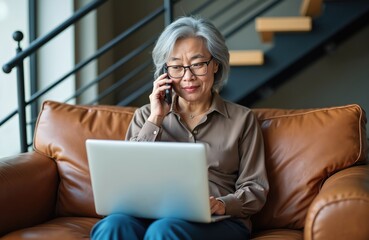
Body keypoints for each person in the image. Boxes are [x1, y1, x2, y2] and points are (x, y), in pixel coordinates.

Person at [91, 16, 269, 240]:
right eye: (176, 67)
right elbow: (127, 181)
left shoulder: (243, 119)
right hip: (152, 214)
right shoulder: (146, 116)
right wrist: (156, 118)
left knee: (164, 230)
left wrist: (223, 204)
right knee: (113, 226)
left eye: (197, 64)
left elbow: (256, 188)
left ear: (215, 64)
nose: (188, 77)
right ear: (165, 72)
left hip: (219, 221)